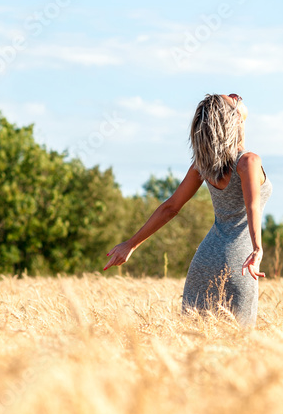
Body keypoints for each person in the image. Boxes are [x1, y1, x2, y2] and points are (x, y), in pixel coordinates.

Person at [103, 93, 273, 327]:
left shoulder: (204, 165)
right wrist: (256, 250)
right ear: (232, 119)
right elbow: (252, 205)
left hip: (203, 263)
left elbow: (171, 207)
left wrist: (131, 244)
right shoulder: (249, 162)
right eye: (233, 99)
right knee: (239, 347)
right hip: (239, 264)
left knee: (194, 344)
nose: (237, 96)